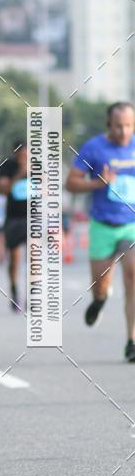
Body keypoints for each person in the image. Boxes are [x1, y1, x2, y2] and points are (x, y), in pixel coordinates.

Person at [66, 102, 135, 361]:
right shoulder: (94, 148)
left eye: (129, 125)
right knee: (100, 286)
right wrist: (98, 183)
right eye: (118, 126)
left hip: (131, 224)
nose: (123, 131)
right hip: (103, 225)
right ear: (109, 124)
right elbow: (71, 183)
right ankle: (99, 300)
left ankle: (131, 341)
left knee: (132, 278)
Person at [0, 143, 29, 311]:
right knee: (15, 260)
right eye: (22, 153)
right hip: (14, 219)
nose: (25, 157)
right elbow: (2, 191)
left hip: (33, 219)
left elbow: (47, 190)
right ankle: (15, 289)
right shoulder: (7, 166)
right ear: (15, 153)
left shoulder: (37, 166)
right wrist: (20, 174)